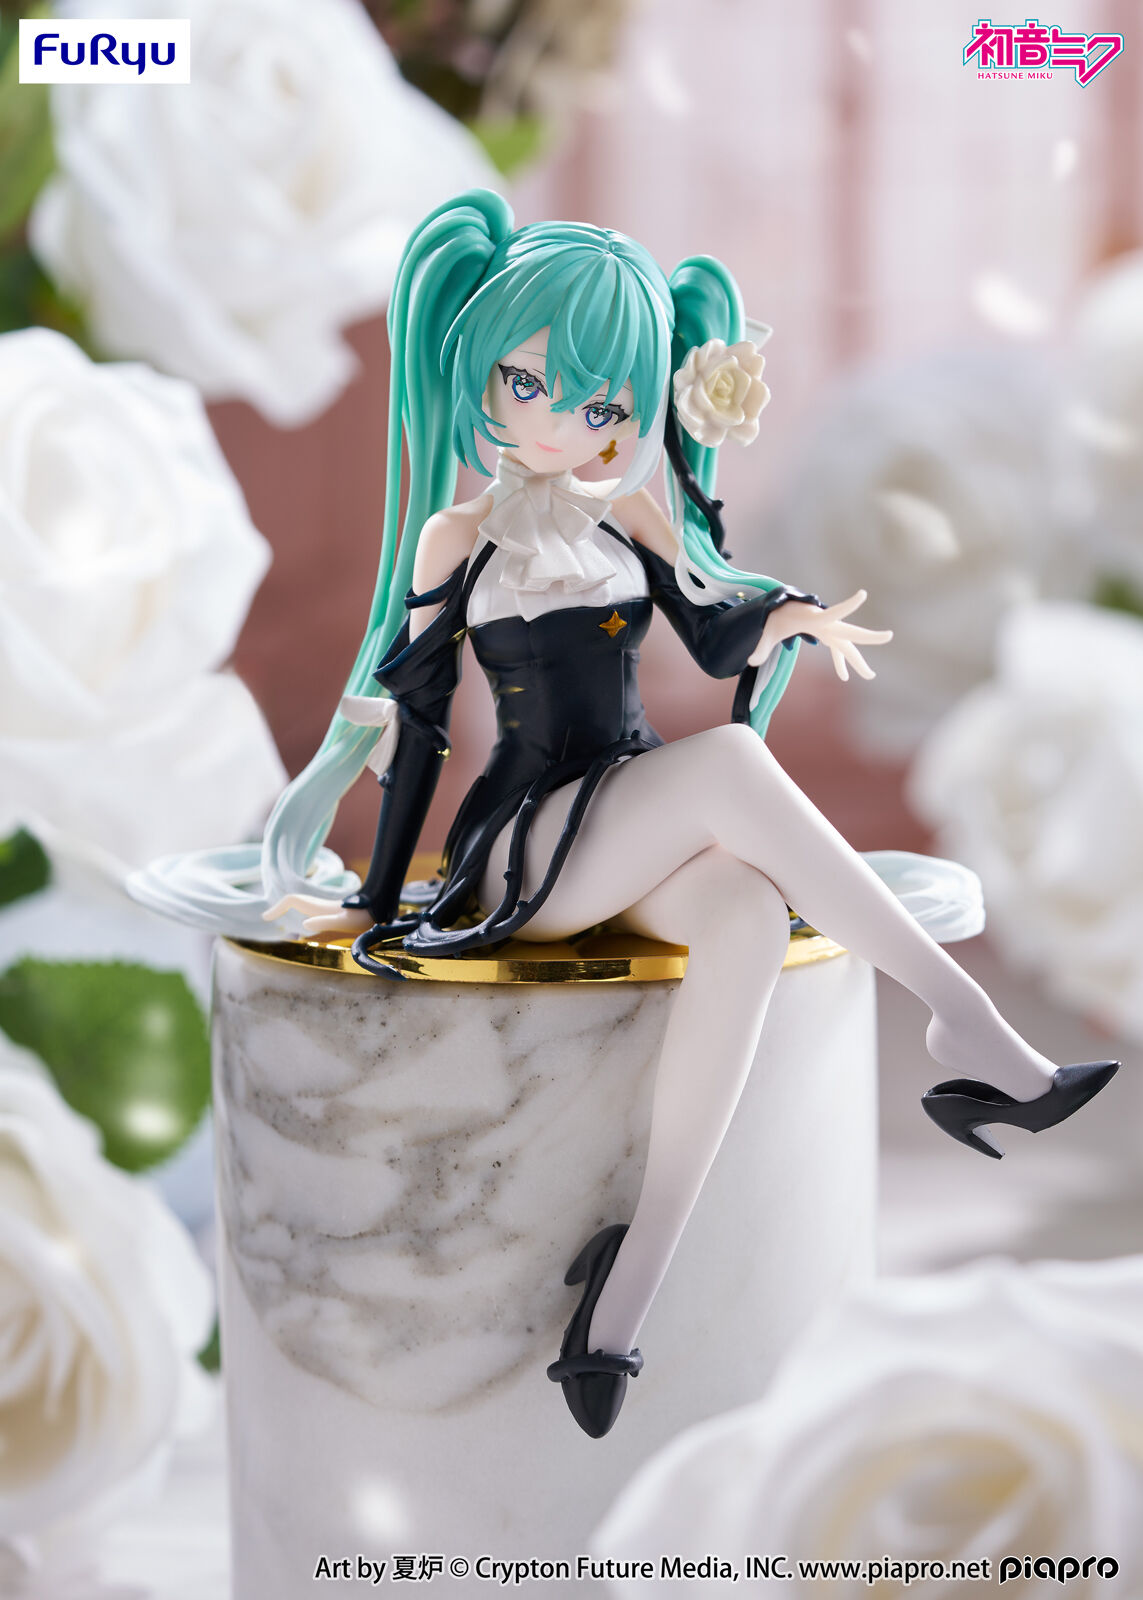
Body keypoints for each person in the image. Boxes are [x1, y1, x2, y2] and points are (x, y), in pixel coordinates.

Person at [129, 189, 1118, 1439]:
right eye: (530, 384)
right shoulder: (456, 540)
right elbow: (423, 729)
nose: (563, 422)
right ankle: (963, 1022)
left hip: (630, 819)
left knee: (745, 910)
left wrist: (784, 617)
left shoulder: (633, 511)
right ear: (481, 371)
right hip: (528, 841)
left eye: (601, 405)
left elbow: (710, 635)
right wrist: (382, 901)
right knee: (730, 769)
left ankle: (622, 1296)